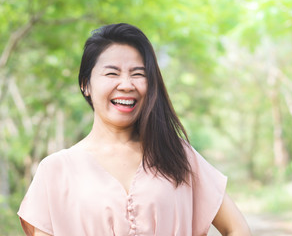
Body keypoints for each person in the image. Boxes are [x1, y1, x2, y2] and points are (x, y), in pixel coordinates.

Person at [18, 23, 251, 236]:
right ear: (85, 84)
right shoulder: (56, 170)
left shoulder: (177, 154)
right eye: (112, 73)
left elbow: (237, 228)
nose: (127, 85)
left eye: (138, 74)